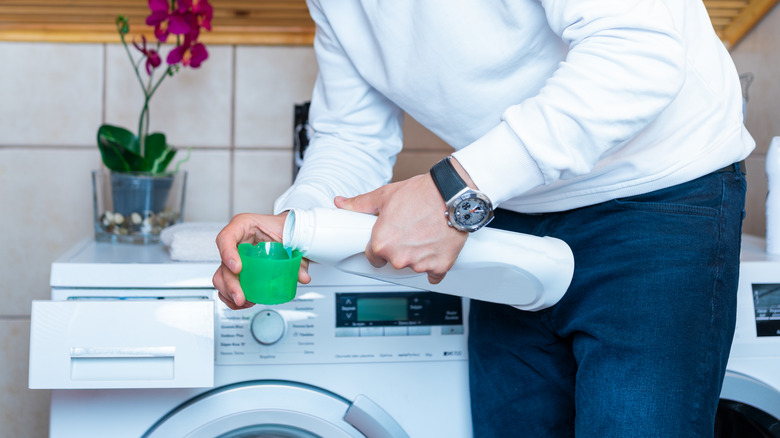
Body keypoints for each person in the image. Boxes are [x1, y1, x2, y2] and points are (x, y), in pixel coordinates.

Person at [213, 1, 754, 436]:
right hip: (505, 205)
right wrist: (292, 226)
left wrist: (457, 189)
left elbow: (637, 53)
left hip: (656, 197)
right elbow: (350, 136)